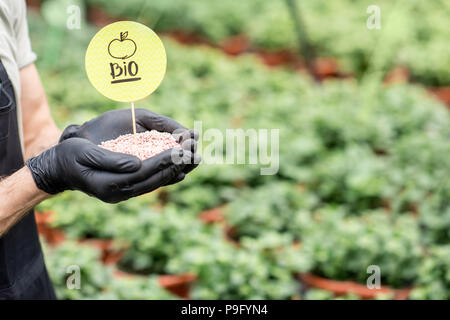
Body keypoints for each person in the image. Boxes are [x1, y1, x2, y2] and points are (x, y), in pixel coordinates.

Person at [0, 1, 199, 299]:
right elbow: (43, 170)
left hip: (24, 267)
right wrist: (44, 175)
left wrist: (73, 141)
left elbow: (35, 128)